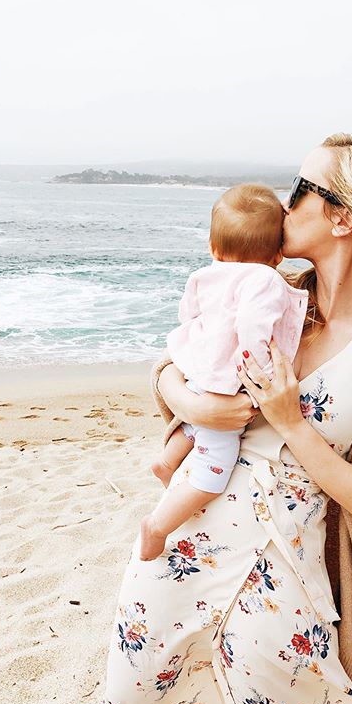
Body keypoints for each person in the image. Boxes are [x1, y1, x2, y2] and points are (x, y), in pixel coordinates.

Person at [93, 133, 352, 704]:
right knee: (134, 702)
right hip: (185, 540)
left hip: (284, 569)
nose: (281, 208)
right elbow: (177, 360)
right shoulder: (272, 295)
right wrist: (196, 404)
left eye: (299, 191)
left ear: (343, 215)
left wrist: (294, 425)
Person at [141, 184, 308, 560]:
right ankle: (157, 525)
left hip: (197, 370)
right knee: (213, 471)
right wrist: (260, 370)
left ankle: (167, 461)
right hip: (227, 380)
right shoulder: (265, 280)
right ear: (278, 254)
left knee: (196, 424)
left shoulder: (204, 274)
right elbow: (254, 324)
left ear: (213, 247)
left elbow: (188, 316)